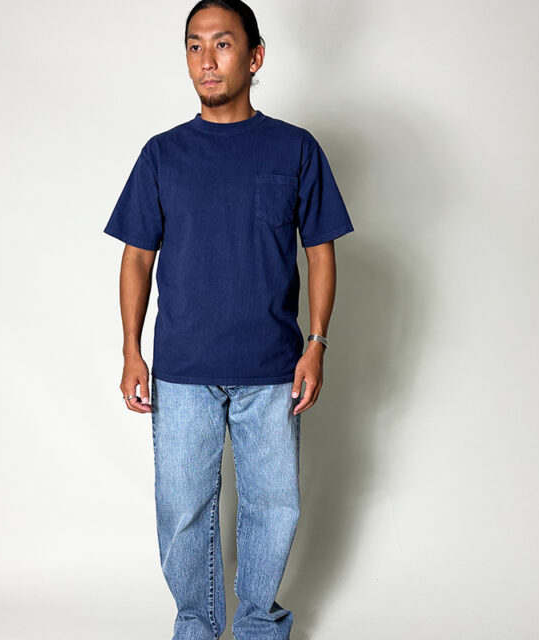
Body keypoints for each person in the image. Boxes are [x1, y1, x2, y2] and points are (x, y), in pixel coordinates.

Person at [103, 2, 354, 638]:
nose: (207, 60)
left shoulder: (295, 149)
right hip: (183, 368)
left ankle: (260, 626)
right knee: (182, 510)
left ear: (255, 55)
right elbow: (137, 258)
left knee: (274, 507)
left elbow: (320, 250)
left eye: (222, 44)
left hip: (272, 368)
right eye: (194, 46)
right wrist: (131, 351)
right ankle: (196, 624)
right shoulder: (162, 155)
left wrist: (317, 343)